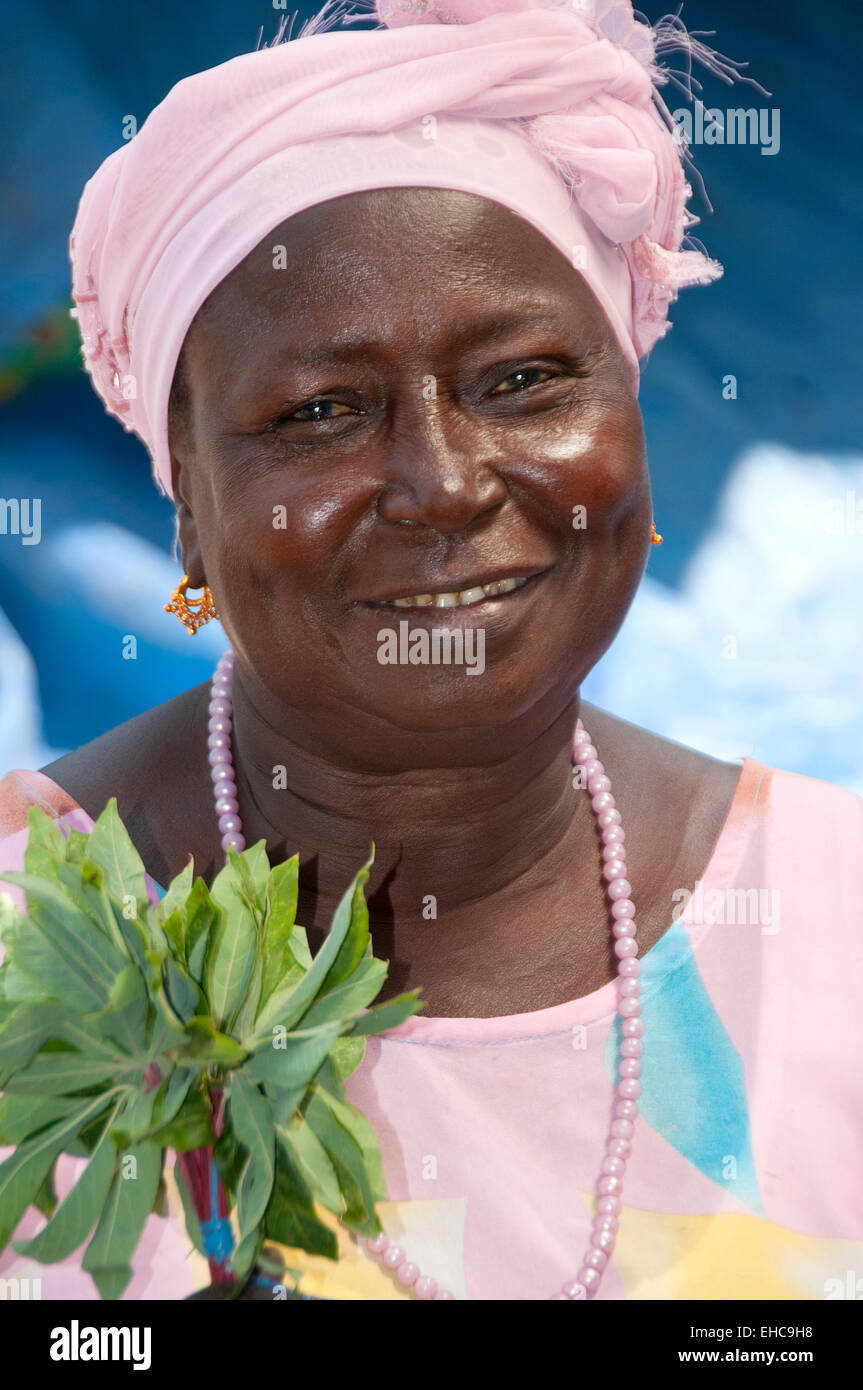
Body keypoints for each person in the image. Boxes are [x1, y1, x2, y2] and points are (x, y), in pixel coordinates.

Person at [1, 0, 861, 1301]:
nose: (445, 483)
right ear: (185, 508)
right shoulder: (28, 949)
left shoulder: (834, 924)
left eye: (522, 380)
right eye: (322, 409)